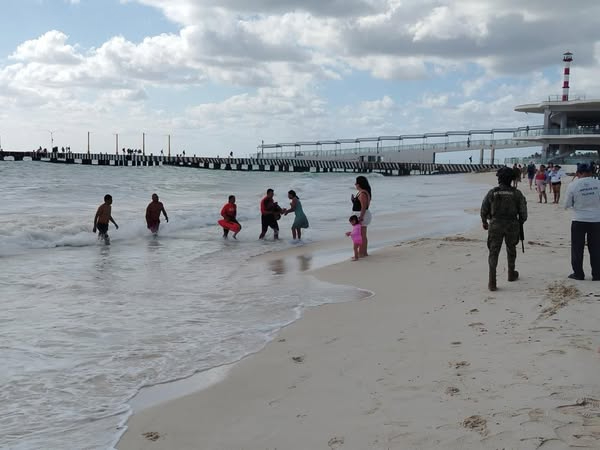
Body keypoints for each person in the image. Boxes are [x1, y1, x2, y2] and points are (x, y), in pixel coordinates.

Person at [480, 167, 528, 291]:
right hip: (512, 224)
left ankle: (492, 282)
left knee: (493, 252)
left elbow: (484, 209)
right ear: (512, 179)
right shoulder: (517, 193)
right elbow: (523, 214)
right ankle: (511, 273)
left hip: (495, 224)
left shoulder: (493, 192)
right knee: (511, 249)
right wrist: (520, 223)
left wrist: (484, 222)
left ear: (499, 178)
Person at [563, 163, 600, 281]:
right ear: (591, 172)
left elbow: (566, 204)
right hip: (596, 220)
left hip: (579, 219)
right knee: (596, 248)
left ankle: (578, 273)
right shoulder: (598, 183)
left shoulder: (573, 185)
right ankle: (597, 274)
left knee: (577, 248)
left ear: (578, 173)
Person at [352, 176, 372, 257]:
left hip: (362, 215)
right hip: (362, 214)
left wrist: (361, 217)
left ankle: (361, 253)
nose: (355, 184)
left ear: (359, 184)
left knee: (361, 235)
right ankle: (363, 252)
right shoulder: (363, 192)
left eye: (356, 183)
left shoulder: (363, 193)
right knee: (362, 235)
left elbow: (363, 206)